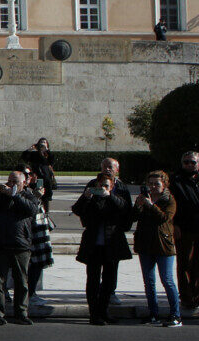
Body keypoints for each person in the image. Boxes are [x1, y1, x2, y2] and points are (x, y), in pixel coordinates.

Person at [72, 173, 134, 325]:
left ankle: (104, 311)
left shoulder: (115, 198)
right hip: (93, 245)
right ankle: (94, 314)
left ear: (112, 186)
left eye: (106, 185)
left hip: (112, 245)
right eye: (100, 185)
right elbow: (77, 209)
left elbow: (125, 208)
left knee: (109, 281)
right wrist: (86, 196)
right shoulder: (91, 198)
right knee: (93, 280)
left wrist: (109, 196)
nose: (103, 188)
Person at [0, 166, 43, 325]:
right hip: (0, 243)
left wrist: (15, 195)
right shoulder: (0, 197)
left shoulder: (29, 196)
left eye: (15, 182)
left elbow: (31, 210)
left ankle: (21, 313)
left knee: (21, 281)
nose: (10, 184)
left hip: (20, 244)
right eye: (9, 181)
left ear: (24, 183)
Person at [169, 151, 199, 313]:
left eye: (192, 162)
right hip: (184, 228)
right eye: (186, 162)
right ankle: (187, 297)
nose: (189, 165)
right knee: (184, 263)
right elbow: (171, 204)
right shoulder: (175, 180)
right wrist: (174, 225)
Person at [134, 171, 181, 326]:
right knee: (149, 281)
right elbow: (134, 217)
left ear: (164, 185)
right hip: (145, 243)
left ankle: (175, 314)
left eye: (157, 184)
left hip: (163, 244)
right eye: (151, 184)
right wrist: (138, 205)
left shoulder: (169, 200)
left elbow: (164, 218)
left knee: (167, 279)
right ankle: (153, 313)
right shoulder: (145, 198)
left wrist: (151, 205)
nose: (153, 187)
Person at [23, 139, 57, 213]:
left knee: (46, 197)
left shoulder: (48, 154)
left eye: (44, 143)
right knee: (38, 194)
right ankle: (36, 210)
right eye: (41, 143)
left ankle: (46, 212)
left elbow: (51, 161)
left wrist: (46, 150)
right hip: (38, 178)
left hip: (47, 178)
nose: (42, 144)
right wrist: (29, 150)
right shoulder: (35, 154)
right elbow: (24, 158)